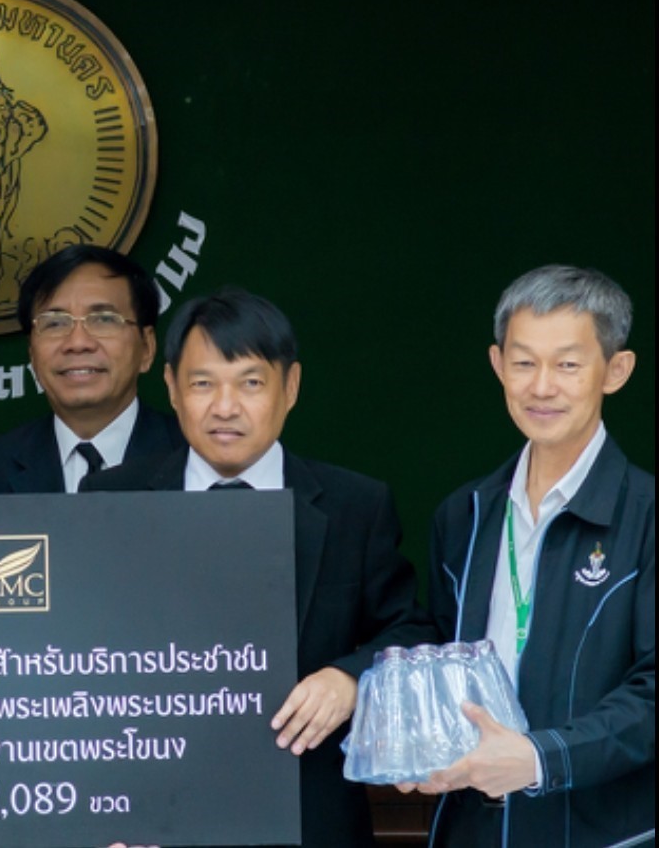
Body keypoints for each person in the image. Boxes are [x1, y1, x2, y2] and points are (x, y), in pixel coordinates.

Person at [84, 287, 430, 846]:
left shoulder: (354, 506)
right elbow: (76, 656)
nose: (225, 407)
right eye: (203, 384)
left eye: (250, 383)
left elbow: (411, 631)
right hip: (154, 820)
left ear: (290, 387)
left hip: (308, 819)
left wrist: (351, 679)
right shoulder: (110, 502)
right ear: (171, 387)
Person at [412, 265, 652, 847]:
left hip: (599, 834)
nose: (541, 387)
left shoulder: (646, 517)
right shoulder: (465, 515)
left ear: (615, 370)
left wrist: (540, 758)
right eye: (524, 363)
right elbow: (436, 657)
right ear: (498, 365)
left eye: (568, 365)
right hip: (471, 828)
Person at [0, 244, 182, 494]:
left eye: (103, 320)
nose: (78, 343)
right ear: (32, 354)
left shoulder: (196, 458)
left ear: (146, 348)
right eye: (55, 323)